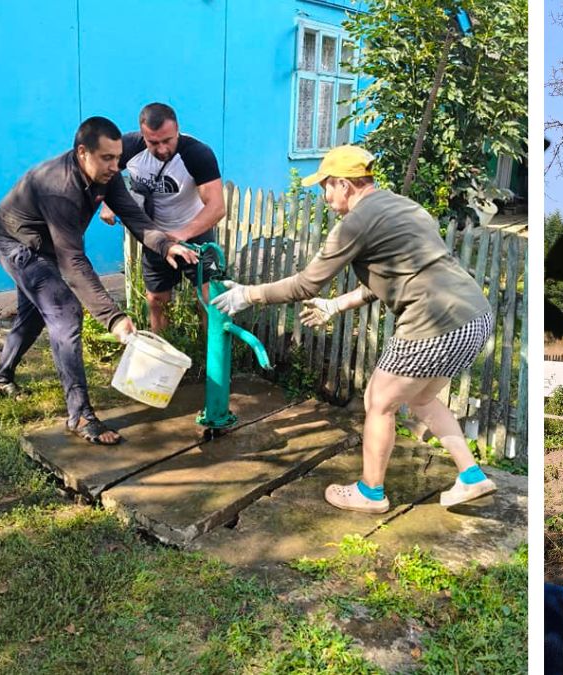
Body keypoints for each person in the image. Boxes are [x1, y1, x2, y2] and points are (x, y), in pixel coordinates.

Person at [213, 145, 497, 513]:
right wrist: (335, 305)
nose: (326, 197)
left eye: (326, 188)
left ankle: (371, 493)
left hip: (432, 321)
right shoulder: (404, 207)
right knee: (421, 398)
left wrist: (250, 295)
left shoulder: (356, 223)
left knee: (378, 403)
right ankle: (471, 476)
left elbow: (305, 285)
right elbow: (394, 276)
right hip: (474, 316)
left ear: (344, 184)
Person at [0, 116, 199, 444]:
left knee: (34, 316)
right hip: (17, 241)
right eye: (107, 159)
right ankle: (80, 415)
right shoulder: (59, 187)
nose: (116, 166)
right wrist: (112, 317)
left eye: (118, 158)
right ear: (82, 152)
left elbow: (133, 216)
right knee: (64, 313)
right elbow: (72, 261)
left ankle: (1, 377)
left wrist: (166, 244)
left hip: (49, 243)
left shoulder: (106, 173)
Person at [99, 102, 226, 332]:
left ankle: (209, 357)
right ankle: (164, 354)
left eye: (167, 140)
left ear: (177, 130)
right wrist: (108, 202)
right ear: (143, 134)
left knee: (209, 300)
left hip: (194, 233)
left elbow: (217, 207)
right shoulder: (128, 146)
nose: (161, 149)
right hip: (155, 236)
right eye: (153, 142)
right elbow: (105, 172)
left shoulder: (197, 153)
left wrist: (180, 235)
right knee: (156, 301)